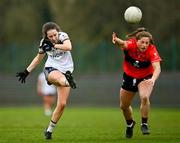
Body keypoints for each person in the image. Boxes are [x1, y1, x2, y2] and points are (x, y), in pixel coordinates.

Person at [16, 22, 76, 140]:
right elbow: (38, 59)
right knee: (58, 77)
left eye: (55, 35)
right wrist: (26, 72)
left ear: (58, 32)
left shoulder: (63, 36)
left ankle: (49, 131)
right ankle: (68, 81)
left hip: (66, 72)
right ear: (46, 36)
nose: (53, 38)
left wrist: (54, 46)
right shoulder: (43, 43)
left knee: (62, 104)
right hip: (51, 70)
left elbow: (69, 47)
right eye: (50, 37)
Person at [112, 27, 161, 138]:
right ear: (136, 41)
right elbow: (123, 44)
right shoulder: (131, 44)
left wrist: (152, 79)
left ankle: (144, 124)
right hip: (129, 77)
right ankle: (130, 124)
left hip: (145, 77)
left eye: (147, 43)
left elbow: (157, 68)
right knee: (124, 106)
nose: (144, 45)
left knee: (144, 97)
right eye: (142, 42)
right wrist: (116, 40)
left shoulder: (151, 49)